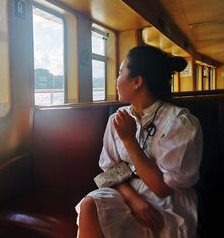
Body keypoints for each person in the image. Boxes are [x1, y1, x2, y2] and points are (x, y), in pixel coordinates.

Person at [76, 45, 203, 238]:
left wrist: (129, 141)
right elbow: (109, 173)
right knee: (89, 205)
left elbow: (162, 188)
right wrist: (134, 200)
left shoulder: (180, 123)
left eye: (120, 73)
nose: (116, 80)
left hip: (166, 204)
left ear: (137, 81)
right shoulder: (117, 119)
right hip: (125, 193)